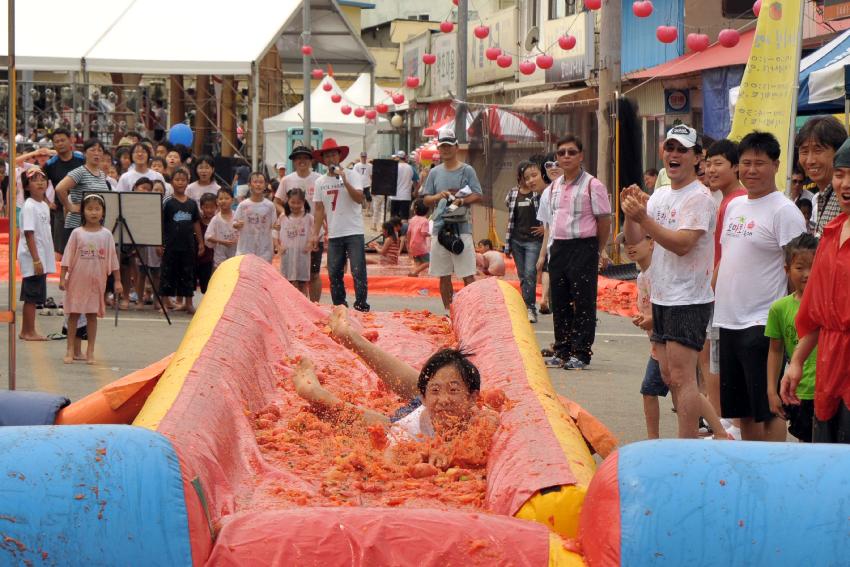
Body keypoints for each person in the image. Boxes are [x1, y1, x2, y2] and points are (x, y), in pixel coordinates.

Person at [291, 307, 496, 460]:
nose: (444, 400)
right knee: (385, 427)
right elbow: (390, 454)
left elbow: (492, 420)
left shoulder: (479, 419)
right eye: (435, 392)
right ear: (422, 399)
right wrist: (425, 455)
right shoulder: (411, 428)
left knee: (435, 382)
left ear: (473, 398)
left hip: (429, 412)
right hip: (411, 422)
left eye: (453, 390)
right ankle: (317, 394)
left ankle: (352, 339)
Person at [621, 124, 716, 439]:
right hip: (662, 296)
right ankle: (692, 438)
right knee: (667, 374)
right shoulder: (661, 194)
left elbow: (683, 243)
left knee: (682, 376)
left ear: (697, 158)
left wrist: (643, 217)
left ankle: (687, 443)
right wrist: (629, 212)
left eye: (682, 150)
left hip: (688, 297)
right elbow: (635, 240)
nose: (674, 155)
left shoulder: (699, 197)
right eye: (670, 148)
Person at [713, 132, 807, 442]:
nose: (751, 170)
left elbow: (802, 267)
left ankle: (773, 476)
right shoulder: (736, 206)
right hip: (728, 320)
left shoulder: (784, 211)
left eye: (760, 164)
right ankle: (751, 476)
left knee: (769, 407)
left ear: (776, 165)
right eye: (746, 163)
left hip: (763, 322)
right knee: (743, 411)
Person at [781, 139, 850, 444]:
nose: (845, 184)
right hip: (829, 362)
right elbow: (815, 314)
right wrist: (796, 362)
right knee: (828, 456)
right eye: (840, 174)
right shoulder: (831, 233)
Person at [536, 135, 612, 370]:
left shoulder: (593, 185)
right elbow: (549, 222)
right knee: (560, 300)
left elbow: (604, 220)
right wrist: (546, 254)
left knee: (583, 300)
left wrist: (598, 249)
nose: (566, 157)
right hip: (559, 247)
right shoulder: (553, 188)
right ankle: (562, 350)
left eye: (571, 152)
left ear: (581, 156)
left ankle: (581, 352)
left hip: (584, 246)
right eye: (561, 153)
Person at [702, 139, 746, 429]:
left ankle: (723, 422)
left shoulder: (736, 201)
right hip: (722, 293)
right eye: (708, 163)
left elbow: (726, 255)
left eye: (718, 163)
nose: (710, 169)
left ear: (735, 166)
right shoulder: (726, 200)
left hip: (724, 296)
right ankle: (723, 420)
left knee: (711, 359)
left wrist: (709, 292)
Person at [420, 128, 483, 310]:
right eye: (442, 146)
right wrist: (439, 196)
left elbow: (478, 195)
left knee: (468, 274)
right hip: (440, 229)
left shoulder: (467, 170)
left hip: (462, 228)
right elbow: (425, 199)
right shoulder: (434, 173)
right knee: (443, 274)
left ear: (456, 147)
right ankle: (449, 312)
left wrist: (462, 199)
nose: (445, 149)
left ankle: (472, 312)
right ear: (439, 149)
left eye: (449, 146)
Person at [765, 233, 819, 443]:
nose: (807, 274)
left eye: (813, 267)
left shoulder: (831, 305)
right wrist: (772, 390)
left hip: (831, 392)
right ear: (787, 270)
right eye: (800, 267)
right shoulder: (779, 308)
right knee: (806, 445)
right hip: (799, 393)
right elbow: (775, 350)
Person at [308, 138, 369, 312]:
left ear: (339, 156)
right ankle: (340, 306)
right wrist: (315, 234)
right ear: (323, 159)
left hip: (353, 230)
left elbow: (359, 199)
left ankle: (361, 305)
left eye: (333, 154)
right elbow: (319, 210)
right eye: (327, 156)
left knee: (358, 270)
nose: (331, 159)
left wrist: (345, 180)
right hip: (334, 233)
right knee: (334, 272)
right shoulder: (320, 182)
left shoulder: (352, 174)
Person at [59, 194, 121, 365]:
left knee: (92, 316)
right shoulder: (76, 233)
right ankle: (70, 349)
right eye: (89, 209)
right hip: (77, 280)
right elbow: (67, 256)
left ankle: (90, 351)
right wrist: (62, 278)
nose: (93, 213)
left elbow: (113, 259)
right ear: (83, 212)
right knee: (74, 314)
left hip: (96, 282)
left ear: (103, 212)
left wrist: (117, 280)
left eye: (97, 209)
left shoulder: (107, 235)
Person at [505, 160, 546, 323]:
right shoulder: (513, 194)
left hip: (533, 242)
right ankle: (526, 305)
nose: (528, 180)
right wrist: (508, 245)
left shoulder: (538, 193)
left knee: (530, 273)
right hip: (516, 240)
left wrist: (545, 228)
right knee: (523, 276)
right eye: (524, 176)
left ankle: (530, 308)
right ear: (519, 177)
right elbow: (510, 215)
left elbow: (547, 213)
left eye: (531, 176)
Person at [160, 168, 205, 315]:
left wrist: (200, 242)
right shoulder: (167, 202)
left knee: (188, 274)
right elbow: (160, 222)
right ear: (172, 182)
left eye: (183, 180)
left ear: (187, 182)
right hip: (170, 245)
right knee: (168, 273)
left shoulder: (192, 203)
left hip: (188, 246)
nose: (180, 182)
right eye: (177, 179)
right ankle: (165, 303)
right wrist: (159, 242)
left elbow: (196, 223)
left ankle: (189, 303)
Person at [17, 168, 55, 341]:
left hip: (41, 256)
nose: (40, 182)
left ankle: (27, 330)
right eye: (34, 180)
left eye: (42, 179)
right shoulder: (30, 206)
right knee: (31, 296)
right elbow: (29, 233)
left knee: (34, 295)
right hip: (34, 257)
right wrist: (36, 259)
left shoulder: (43, 206)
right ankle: (28, 331)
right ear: (26, 187)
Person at [55, 138, 112, 252]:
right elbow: (60, 188)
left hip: (95, 227)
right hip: (77, 225)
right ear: (85, 153)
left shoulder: (101, 174)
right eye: (93, 150)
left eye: (100, 150)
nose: (96, 153)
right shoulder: (80, 172)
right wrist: (70, 206)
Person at [796, 115, 847, 236]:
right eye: (804, 151)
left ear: (839, 152)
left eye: (818, 150)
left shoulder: (843, 196)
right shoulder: (822, 196)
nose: (809, 160)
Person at [43, 127, 84, 254]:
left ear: (70, 141)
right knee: (60, 252)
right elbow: (38, 184)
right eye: (57, 141)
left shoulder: (81, 160)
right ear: (53, 145)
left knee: (82, 249)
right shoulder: (50, 164)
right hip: (60, 212)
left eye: (63, 140)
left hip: (82, 210)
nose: (60, 143)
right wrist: (48, 202)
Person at [131, 177, 162, 311]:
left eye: (149, 189)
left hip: (155, 243)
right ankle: (139, 300)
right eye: (144, 188)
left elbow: (160, 226)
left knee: (156, 273)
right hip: (141, 243)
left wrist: (159, 243)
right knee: (141, 273)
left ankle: (157, 300)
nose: (147, 191)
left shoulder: (158, 205)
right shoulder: (132, 204)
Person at [276, 188, 313, 297]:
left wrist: (310, 244)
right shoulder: (283, 217)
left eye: (299, 203)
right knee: (287, 282)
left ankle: (303, 307)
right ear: (287, 201)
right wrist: (278, 246)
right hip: (287, 255)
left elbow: (317, 232)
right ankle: (288, 307)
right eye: (293, 202)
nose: (295, 205)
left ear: (303, 202)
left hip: (302, 256)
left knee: (302, 283)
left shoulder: (308, 218)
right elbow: (274, 231)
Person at [234, 171, 277, 263]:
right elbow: (234, 223)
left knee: (262, 276)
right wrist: (237, 225)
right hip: (245, 249)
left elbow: (274, 226)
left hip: (265, 250)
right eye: (255, 182)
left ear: (265, 185)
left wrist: (277, 228)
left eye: (261, 182)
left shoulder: (270, 206)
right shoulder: (243, 205)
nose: (258, 185)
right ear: (249, 185)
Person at [205, 187, 239, 270]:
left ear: (232, 200)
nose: (223, 201)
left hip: (236, 256)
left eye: (227, 198)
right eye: (221, 199)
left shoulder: (237, 217)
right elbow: (208, 237)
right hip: (220, 258)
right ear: (217, 201)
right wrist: (222, 242)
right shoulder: (215, 219)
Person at [196, 193, 217, 294]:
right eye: (206, 207)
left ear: (216, 207)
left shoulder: (217, 221)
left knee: (208, 285)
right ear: (201, 207)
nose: (209, 210)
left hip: (212, 258)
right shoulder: (197, 222)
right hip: (199, 256)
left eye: (212, 207)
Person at [406, 198, 431, 277]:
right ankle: (414, 272)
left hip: (412, 244)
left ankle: (415, 275)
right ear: (427, 210)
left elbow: (408, 232)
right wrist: (430, 234)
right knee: (428, 262)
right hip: (420, 245)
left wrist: (408, 244)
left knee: (417, 262)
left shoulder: (412, 219)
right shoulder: (425, 221)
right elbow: (423, 233)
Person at [391, 151, 417, 220]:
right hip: (406, 196)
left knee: (394, 219)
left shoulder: (394, 167)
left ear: (397, 157)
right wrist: (415, 191)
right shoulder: (411, 168)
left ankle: (394, 230)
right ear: (404, 158)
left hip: (394, 196)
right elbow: (416, 181)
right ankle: (403, 230)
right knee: (404, 218)